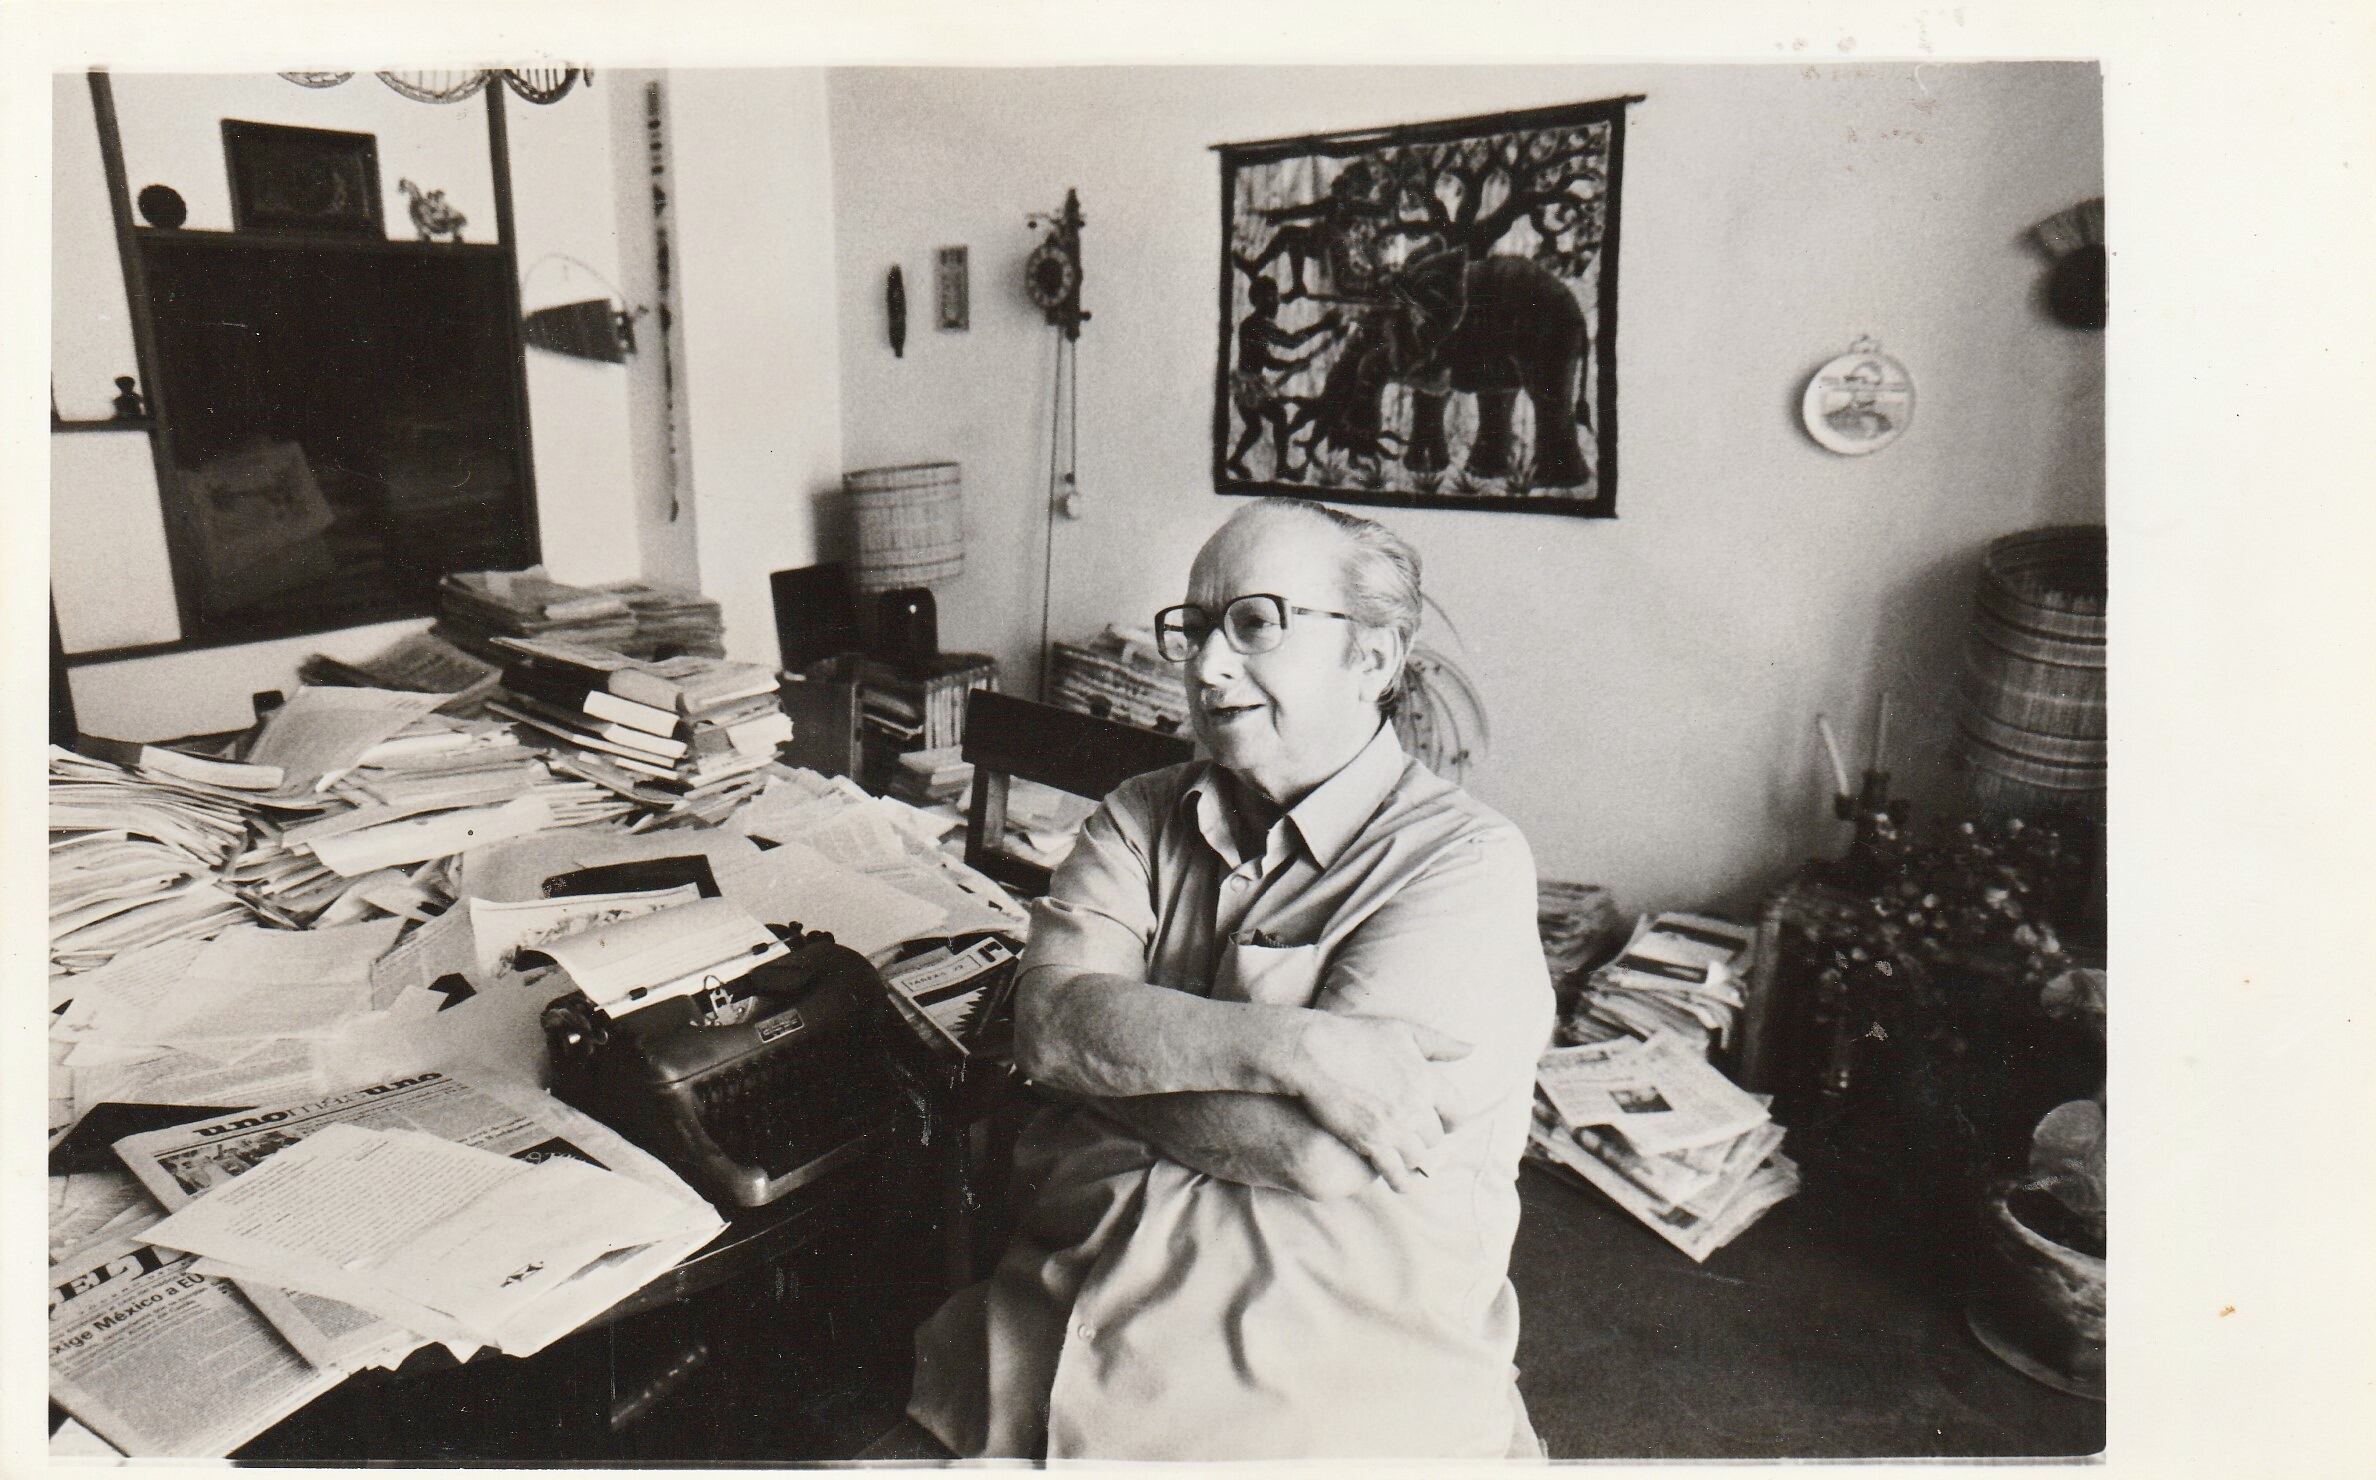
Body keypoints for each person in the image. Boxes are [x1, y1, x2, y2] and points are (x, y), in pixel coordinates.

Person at [906, 497, 1553, 1461]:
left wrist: (1101, 1071)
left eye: (1255, 624)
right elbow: (1046, 1023)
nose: (1207, 667)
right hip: (1039, 1338)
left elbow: (1312, 1154)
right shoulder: (1139, 813)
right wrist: (1295, 1045)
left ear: (1372, 658)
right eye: (1198, 627)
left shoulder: (1465, 864)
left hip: (1306, 1391)